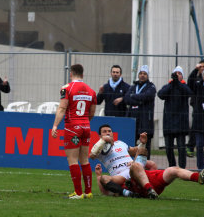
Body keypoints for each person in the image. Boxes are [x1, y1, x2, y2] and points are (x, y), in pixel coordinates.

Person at [51, 64, 97, 199]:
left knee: (72, 160)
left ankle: (78, 193)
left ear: (71, 73)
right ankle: (88, 192)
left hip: (72, 127)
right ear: (82, 74)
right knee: (84, 160)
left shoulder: (67, 88)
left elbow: (62, 108)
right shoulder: (91, 91)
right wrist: (84, 122)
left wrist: (55, 126)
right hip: (86, 127)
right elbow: (92, 112)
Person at [89, 124, 157, 197]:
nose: (108, 133)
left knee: (152, 164)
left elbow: (134, 151)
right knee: (104, 179)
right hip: (120, 175)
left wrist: (142, 143)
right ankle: (128, 193)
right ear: (100, 136)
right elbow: (92, 155)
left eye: (109, 131)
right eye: (104, 132)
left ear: (112, 133)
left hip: (133, 168)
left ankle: (152, 190)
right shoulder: (99, 148)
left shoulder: (120, 143)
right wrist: (103, 140)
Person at [157, 66, 193, 168]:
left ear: (182, 76)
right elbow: (160, 94)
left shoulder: (184, 86)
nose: (177, 75)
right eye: (175, 73)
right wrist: (173, 83)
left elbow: (189, 93)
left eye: (179, 73)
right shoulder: (168, 86)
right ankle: (172, 166)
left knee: (181, 148)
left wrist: (177, 82)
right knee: (168, 148)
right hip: (169, 122)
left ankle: (182, 168)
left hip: (181, 123)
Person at [124, 162, 204, 199]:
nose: (109, 133)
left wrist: (140, 159)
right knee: (135, 166)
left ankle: (199, 177)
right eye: (108, 131)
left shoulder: (125, 148)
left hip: (154, 179)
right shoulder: (116, 167)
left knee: (173, 170)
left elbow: (152, 165)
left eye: (110, 131)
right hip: (140, 185)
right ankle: (150, 189)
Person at [124, 65, 156, 159]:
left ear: (148, 75)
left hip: (145, 121)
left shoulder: (151, 87)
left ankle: (145, 166)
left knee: (145, 146)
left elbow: (147, 96)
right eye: (141, 73)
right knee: (131, 144)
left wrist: (133, 96)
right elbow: (126, 98)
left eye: (145, 74)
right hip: (133, 120)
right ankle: (130, 165)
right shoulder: (133, 86)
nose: (142, 75)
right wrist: (140, 100)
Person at [186, 60, 204, 158]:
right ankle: (191, 147)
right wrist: (195, 70)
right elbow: (189, 84)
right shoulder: (197, 79)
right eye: (200, 66)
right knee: (195, 128)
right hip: (198, 107)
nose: (202, 68)